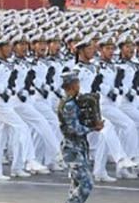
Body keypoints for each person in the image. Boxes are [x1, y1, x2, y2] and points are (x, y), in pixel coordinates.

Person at [58, 71, 103, 203]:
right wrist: (93, 127)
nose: (79, 86)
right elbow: (74, 129)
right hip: (72, 148)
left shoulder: (72, 101)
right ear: (72, 85)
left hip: (78, 146)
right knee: (86, 183)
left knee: (76, 184)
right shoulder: (69, 105)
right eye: (77, 83)